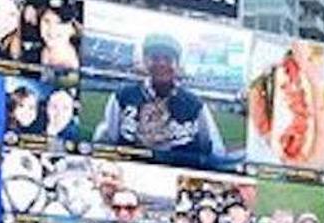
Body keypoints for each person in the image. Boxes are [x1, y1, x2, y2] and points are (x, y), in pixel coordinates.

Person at [92, 33, 231, 168]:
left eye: (168, 58)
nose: (161, 64)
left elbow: (216, 151)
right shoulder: (122, 97)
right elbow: (104, 142)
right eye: (155, 58)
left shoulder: (195, 105)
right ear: (145, 61)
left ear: (177, 64)